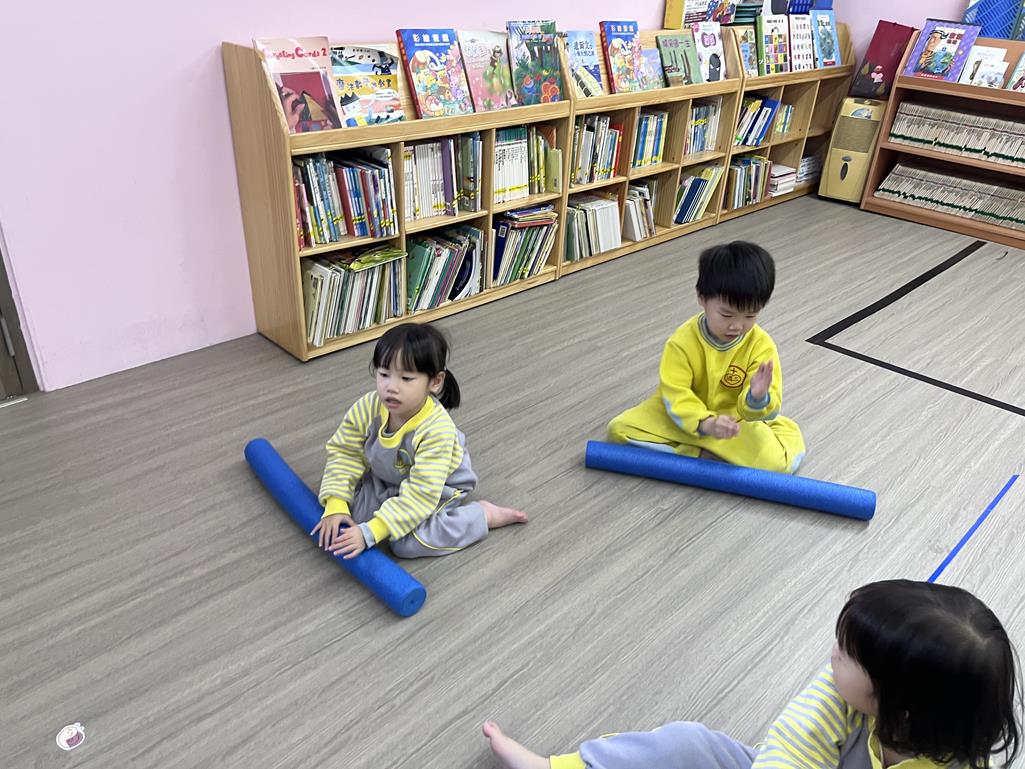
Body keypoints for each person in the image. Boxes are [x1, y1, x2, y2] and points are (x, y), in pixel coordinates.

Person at [484, 579, 1023, 769]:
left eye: (848, 654)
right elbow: (791, 747)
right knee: (688, 744)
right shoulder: (838, 693)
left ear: (901, 708)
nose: (832, 655)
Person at [313, 322, 527, 559]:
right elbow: (345, 452)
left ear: (435, 382)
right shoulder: (368, 406)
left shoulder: (437, 430)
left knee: (406, 543)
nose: (391, 387)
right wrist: (335, 504)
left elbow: (421, 494)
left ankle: (482, 515)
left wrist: (372, 532)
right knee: (351, 511)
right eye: (384, 374)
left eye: (406, 378)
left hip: (438, 486)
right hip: (389, 476)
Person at [606, 241, 804, 473]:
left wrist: (757, 397)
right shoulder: (682, 342)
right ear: (701, 297)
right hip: (685, 417)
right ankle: (701, 452)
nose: (737, 326)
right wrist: (705, 423)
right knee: (618, 431)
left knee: (779, 463)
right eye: (726, 315)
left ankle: (700, 451)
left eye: (750, 316)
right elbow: (676, 394)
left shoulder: (761, 346)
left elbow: (762, 407)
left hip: (733, 423)